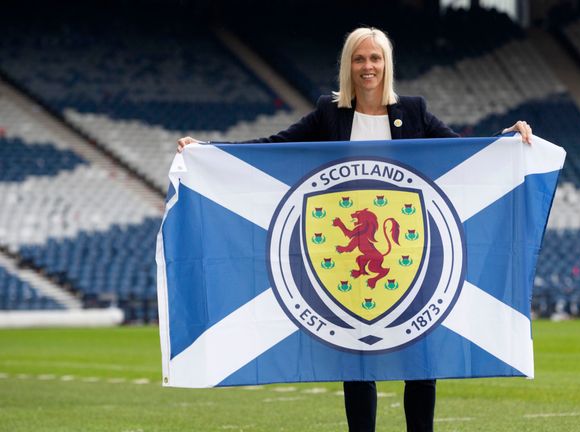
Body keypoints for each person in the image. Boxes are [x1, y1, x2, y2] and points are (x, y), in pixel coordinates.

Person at [178, 27, 533, 432]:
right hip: (346, 265)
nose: (368, 67)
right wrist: (208, 151)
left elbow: (463, 157)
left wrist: (505, 143)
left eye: (375, 58)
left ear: (387, 64)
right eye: (360, 59)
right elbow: (273, 146)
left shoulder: (414, 111)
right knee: (357, 360)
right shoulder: (330, 113)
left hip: (408, 257)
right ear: (349, 65)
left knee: (420, 358)